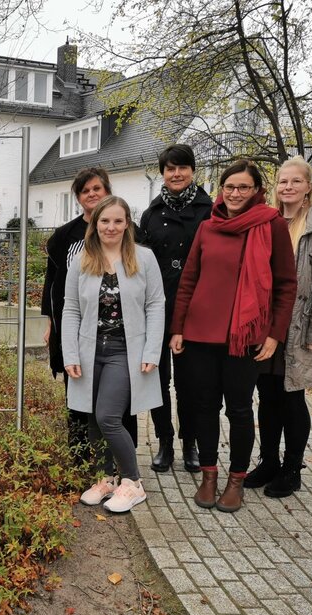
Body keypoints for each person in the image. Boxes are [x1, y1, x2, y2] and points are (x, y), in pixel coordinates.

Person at [169, 159, 297, 513]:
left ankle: (236, 479)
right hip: (199, 335)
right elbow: (189, 280)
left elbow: (287, 285)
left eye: (243, 187)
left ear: (257, 190)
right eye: (229, 187)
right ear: (221, 190)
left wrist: (274, 335)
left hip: (244, 338)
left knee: (240, 410)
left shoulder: (271, 226)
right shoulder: (208, 228)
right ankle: (209, 475)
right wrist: (177, 328)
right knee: (204, 408)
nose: (235, 193)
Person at [244, 156, 312, 498]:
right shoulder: (266, 221)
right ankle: (269, 461)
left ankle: (292, 468)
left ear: (308, 186)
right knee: (266, 395)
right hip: (265, 323)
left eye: (295, 181)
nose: (288, 187)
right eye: (283, 182)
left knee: (292, 396)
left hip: (298, 327)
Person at [62, 196, 165, 513]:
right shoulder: (83, 259)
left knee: (108, 415)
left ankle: (132, 483)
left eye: (118, 221)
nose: (111, 227)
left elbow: (156, 305)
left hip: (126, 350)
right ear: (95, 224)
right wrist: (70, 354)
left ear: (127, 224)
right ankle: (106, 478)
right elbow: (70, 308)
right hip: (90, 348)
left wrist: (152, 350)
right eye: (105, 221)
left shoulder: (143, 258)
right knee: (93, 415)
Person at [41, 168, 138, 473]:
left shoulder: (129, 232)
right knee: (78, 394)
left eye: (98, 188)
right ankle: (82, 458)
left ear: (107, 190)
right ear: (79, 198)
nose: (93, 195)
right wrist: (50, 323)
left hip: (117, 335)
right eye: (86, 191)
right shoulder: (65, 237)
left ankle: (123, 461)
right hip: (77, 330)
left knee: (117, 402)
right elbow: (53, 282)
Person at [138, 144, 212, 473]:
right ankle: (165, 442)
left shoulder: (209, 210)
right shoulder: (152, 214)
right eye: (170, 168)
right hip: (157, 310)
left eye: (182, 167)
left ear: (192, 170)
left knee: (190, 384)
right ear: (162, 173)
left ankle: (191, 443)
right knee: (157, 381)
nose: (176, 174)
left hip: (196, 312)